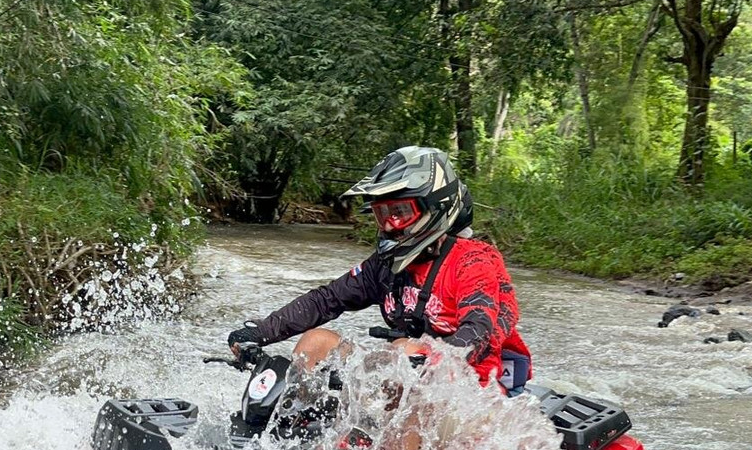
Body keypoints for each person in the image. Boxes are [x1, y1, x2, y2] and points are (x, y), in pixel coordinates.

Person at [227, 146, 532, 394]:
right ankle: (288, 433)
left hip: (471, 391)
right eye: (381, 213)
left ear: (434, 207)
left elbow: (480, 330)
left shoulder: (473, 261)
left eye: (399, 212)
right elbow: (327, 300)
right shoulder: (384, 265)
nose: (388, 224)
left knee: (402, 349)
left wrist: (423, 360)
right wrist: (261, 332)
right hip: (402, 378)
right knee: (317, 341)